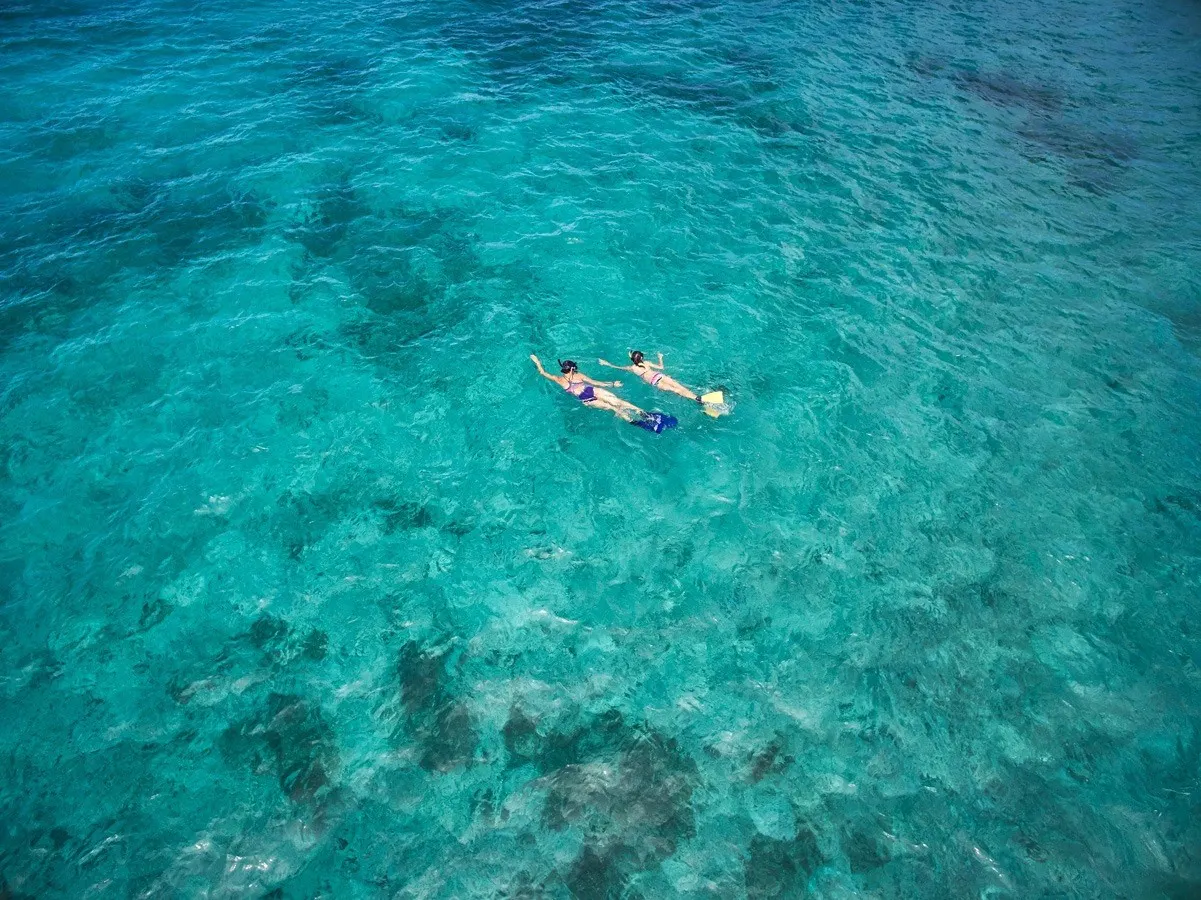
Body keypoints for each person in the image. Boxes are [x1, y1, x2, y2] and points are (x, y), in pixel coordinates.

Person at [529, 354, 649, 423]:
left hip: (586, 400)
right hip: (592, 390)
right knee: (618, 402)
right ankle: (641, 412)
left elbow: (543, 373)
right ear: (571, 369)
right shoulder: (578, 375)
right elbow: (596, 382)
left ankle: (634, 422)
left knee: (613, 408)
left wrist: (537, 361)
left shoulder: (558, 379)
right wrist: (613, 384)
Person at [598, 350, 704, 404]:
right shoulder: (646, 363)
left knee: (675, 390)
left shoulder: (632, 368)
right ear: (642, 358)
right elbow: (661, 367)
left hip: (655, 382)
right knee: (679, 387)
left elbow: (617, 367)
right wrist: (660, 357)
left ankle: (697, 400)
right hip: (660, 376)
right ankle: (696, 397)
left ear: (633, 360)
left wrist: (606, 363)